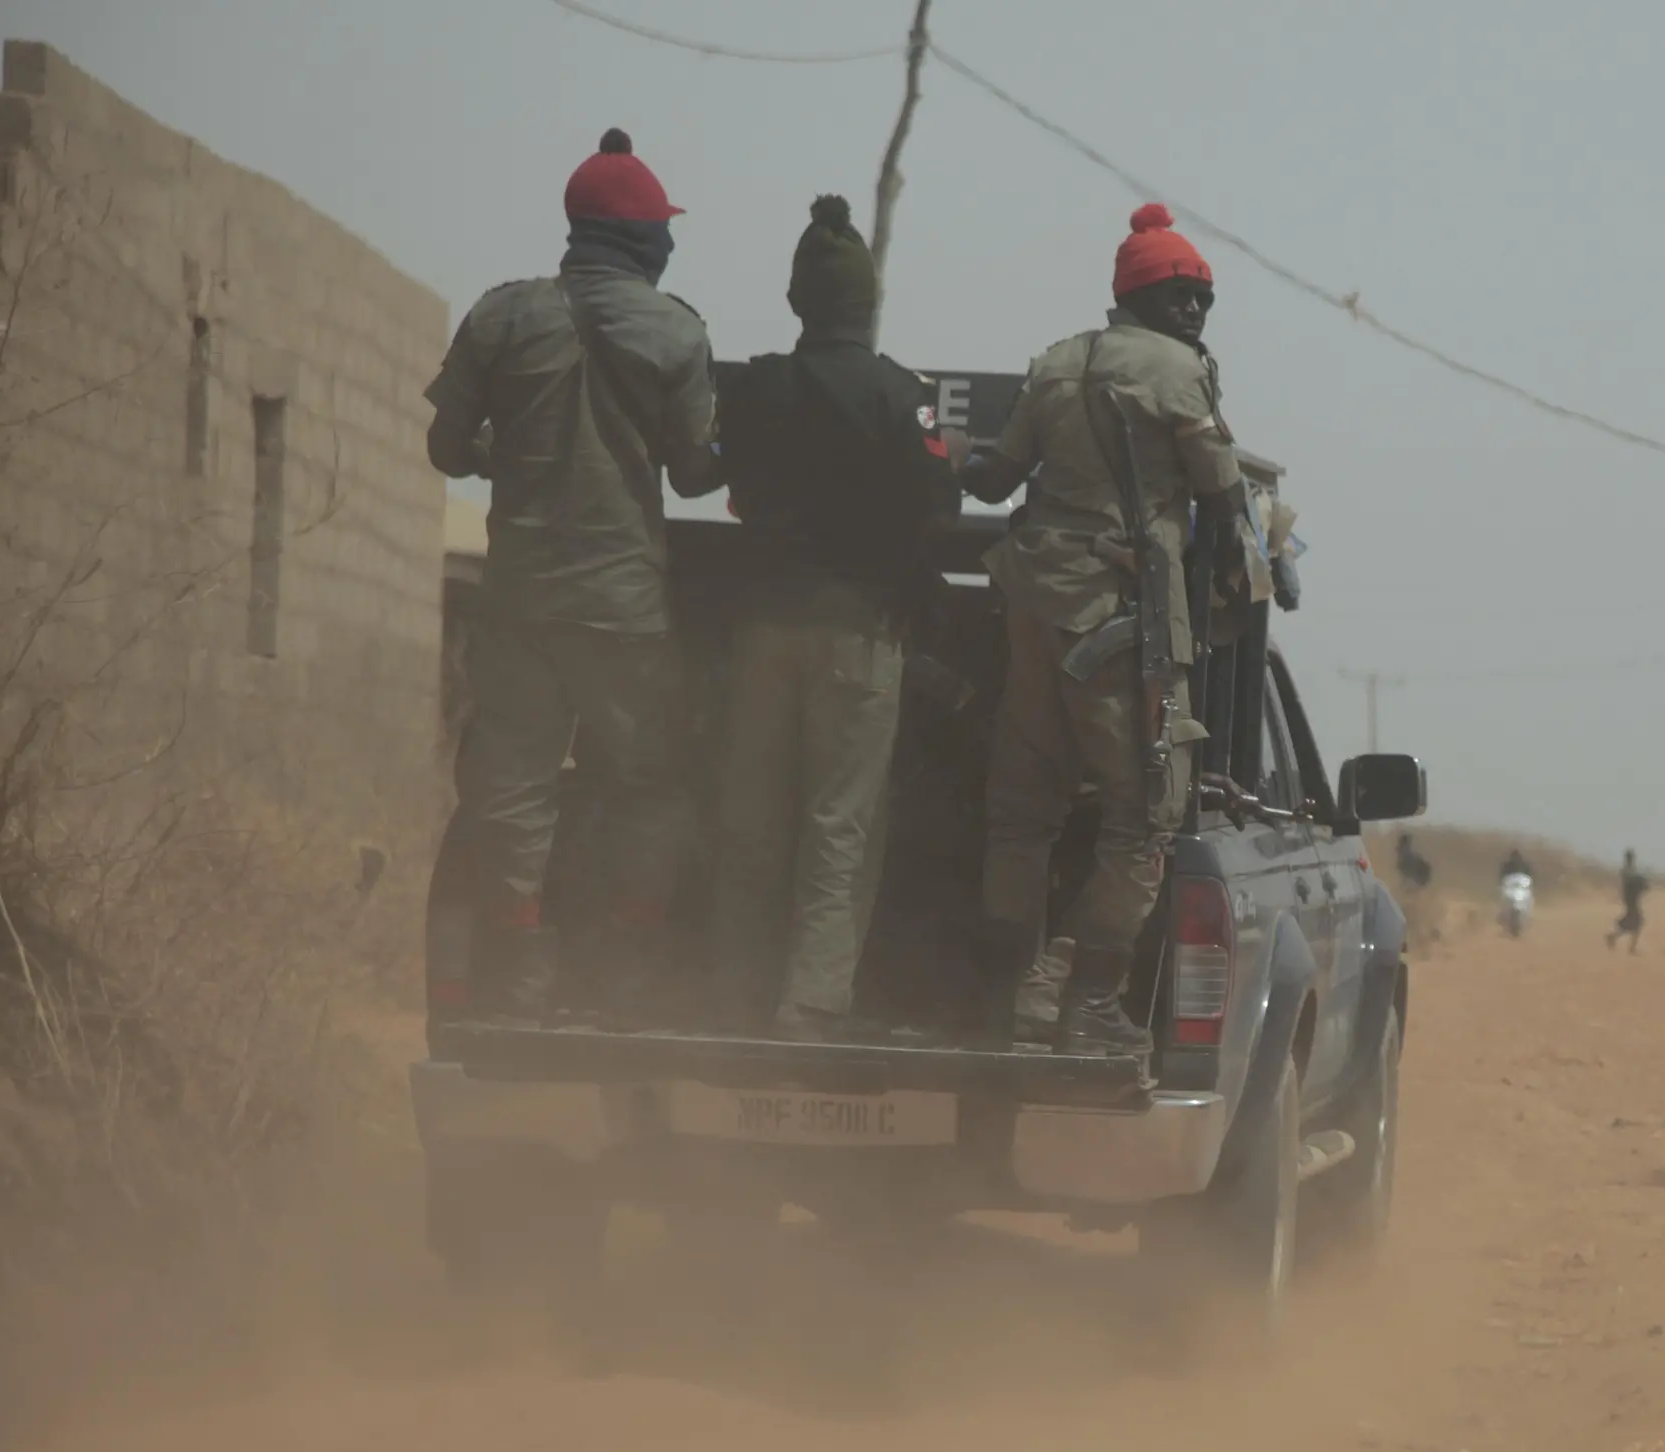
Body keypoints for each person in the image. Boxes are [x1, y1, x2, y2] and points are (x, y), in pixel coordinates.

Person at [425, 129, 720, 1023]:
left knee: (511, 785)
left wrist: (505, 455)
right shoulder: (676, 331)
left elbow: (445, 445)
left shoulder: (501, 314)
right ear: (644, 240)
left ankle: (520, 968)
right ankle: (629, 970)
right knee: (649, 786)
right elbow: (697, 473)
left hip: (520, 601)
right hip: (624, 609)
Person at [960, 205, 1246, 1056]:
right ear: (1139, 295)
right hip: (1123, 626)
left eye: (1202, 296)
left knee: (1021, 812)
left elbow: (995, 473)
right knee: (1144, 818)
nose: (1193, 310)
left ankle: (1006, 996)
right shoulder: (1178, 373)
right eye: (1179, 292)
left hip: (1034, 612)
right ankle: (1083, 1001)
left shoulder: (1055, 362)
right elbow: (1225, 501)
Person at [707, 195, 961, 1041]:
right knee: (839, 821)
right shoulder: (900, 396)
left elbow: (718, 471)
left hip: (761, 632)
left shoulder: (757, 386)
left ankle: (731, 988)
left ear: (795, 302)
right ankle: (810, 1002)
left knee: (750, 813)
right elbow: (942, 500)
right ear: (869, 306)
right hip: (857, 635)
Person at [1608, 849, 1651, 952]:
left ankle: (1615, 937)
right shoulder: (1627, 870)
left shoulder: (1629, 869)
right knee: (1637, 922)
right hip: (1631, 899)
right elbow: (1631, 882)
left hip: (1632, 898)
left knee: (1634, 922)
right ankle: (1630, 947)